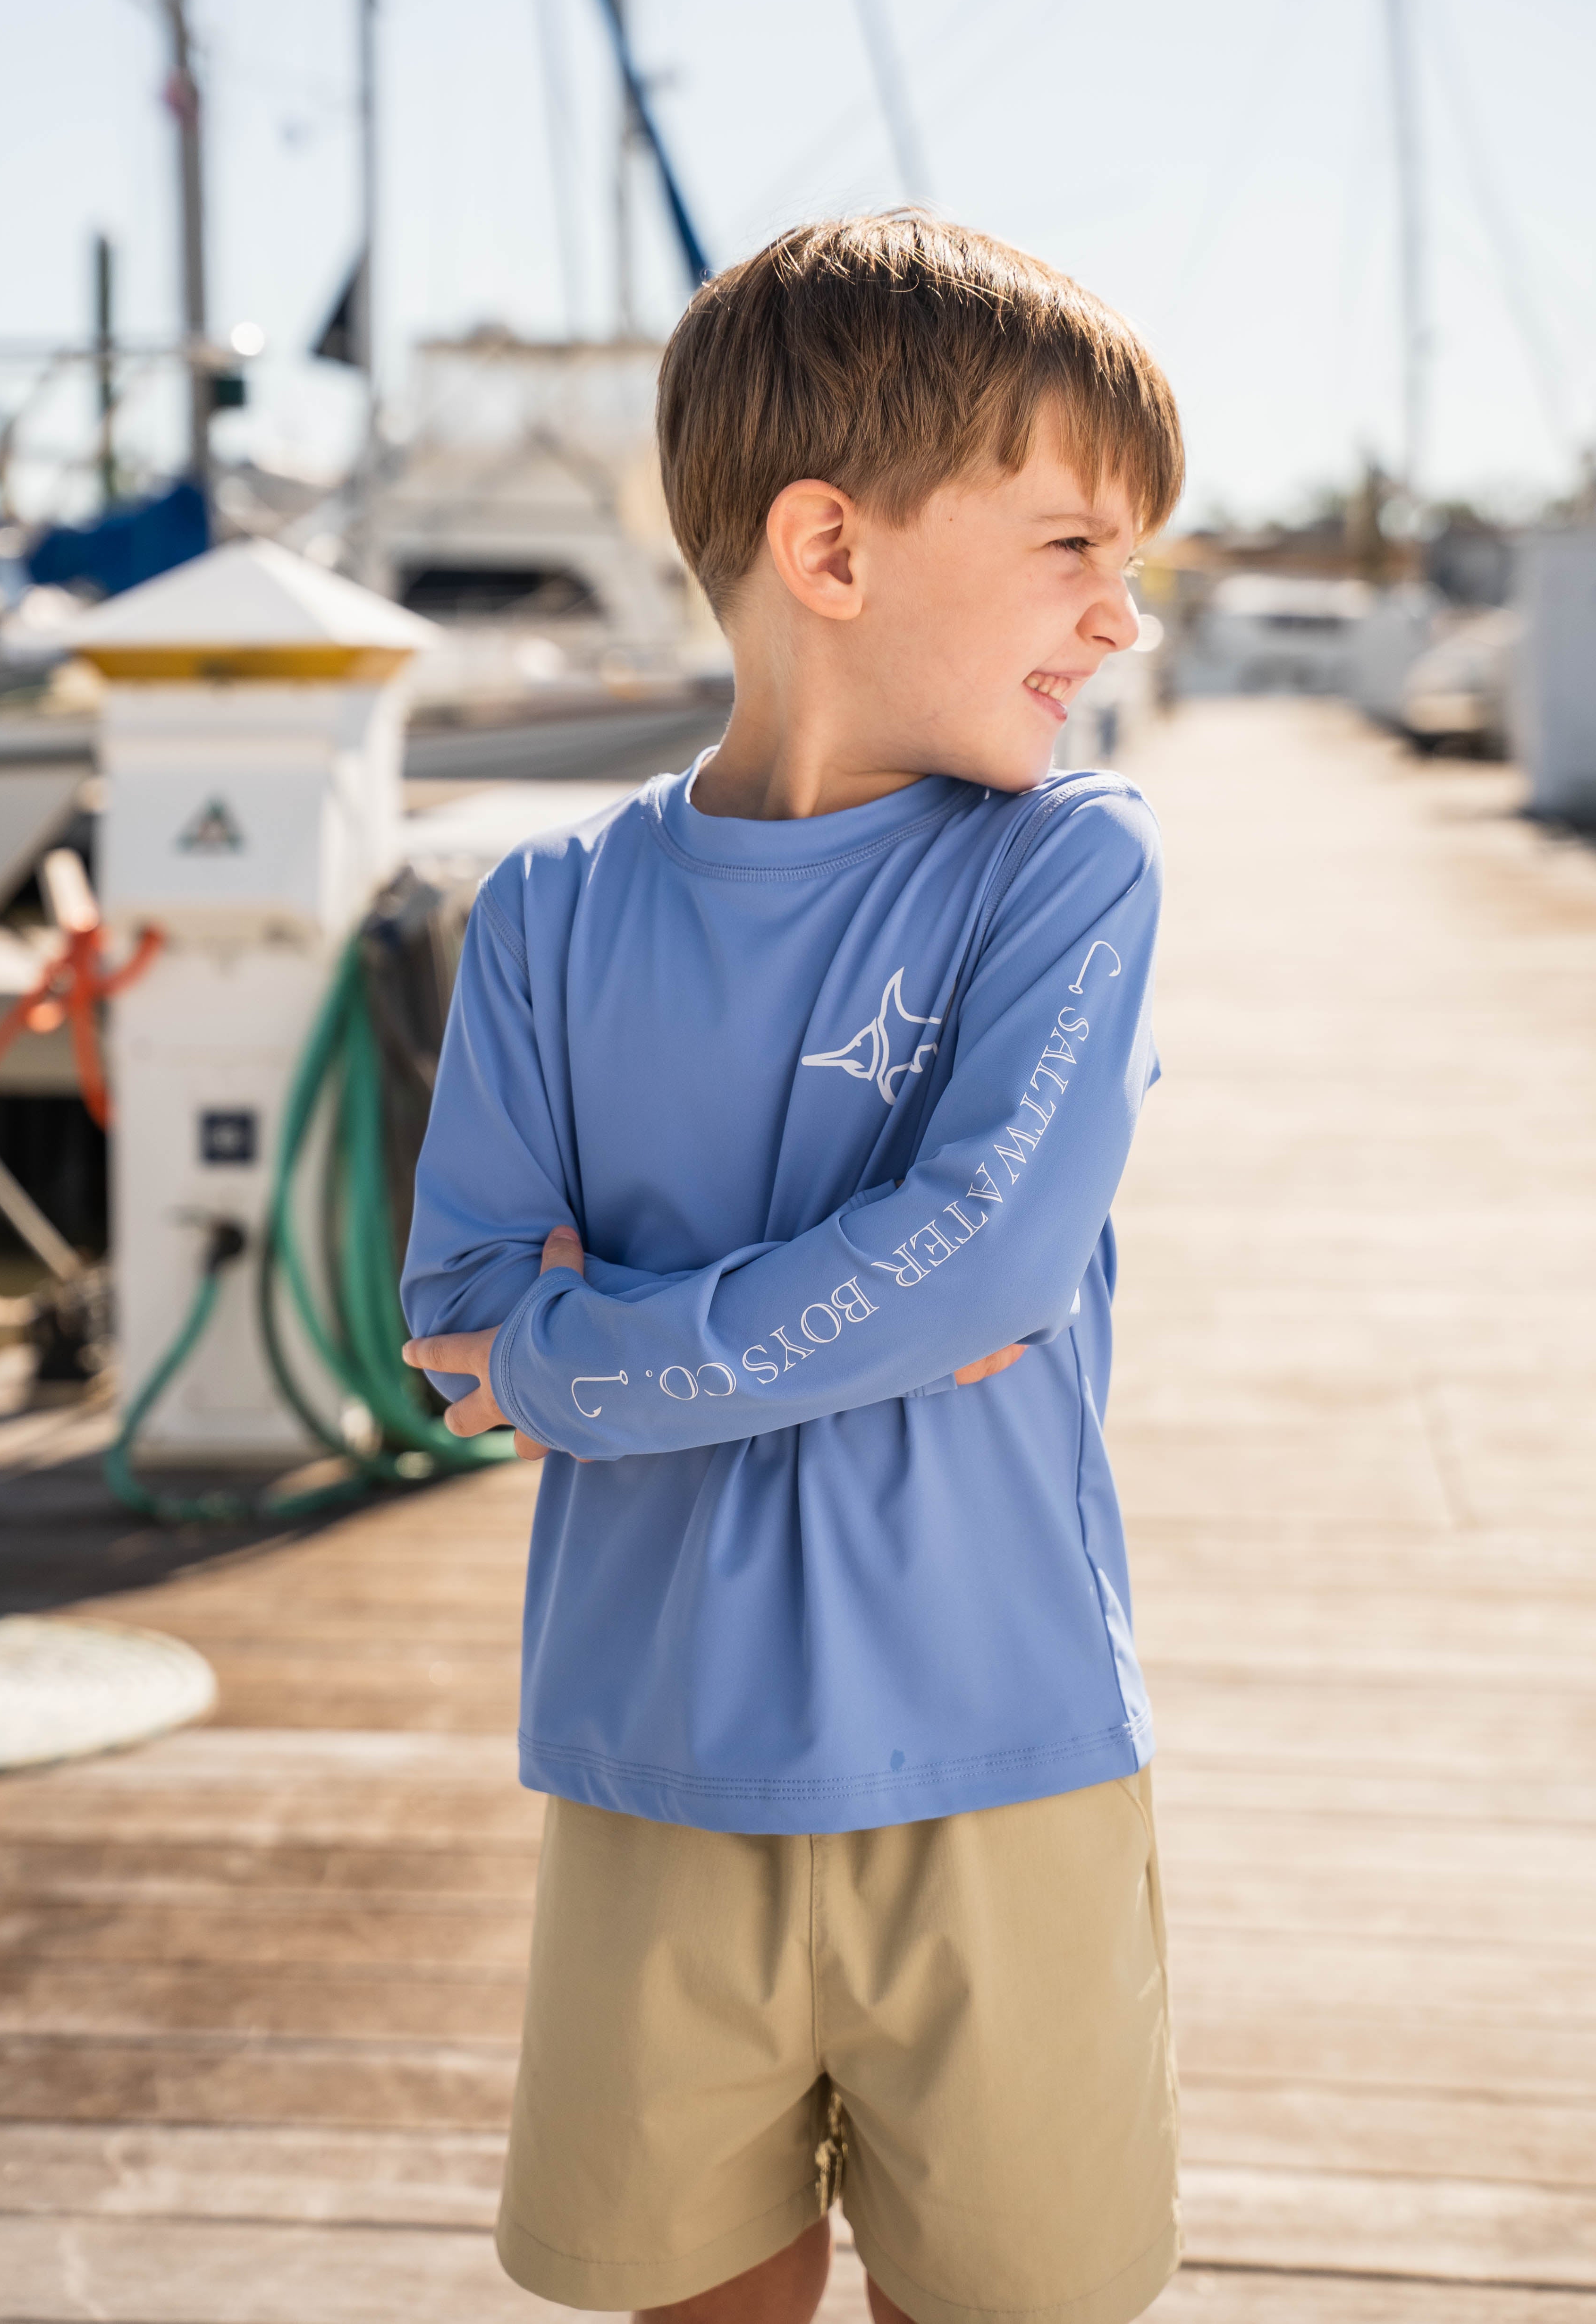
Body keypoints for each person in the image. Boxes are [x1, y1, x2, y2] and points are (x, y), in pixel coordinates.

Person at [401, 212, 1185, 2324]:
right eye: (1071, 547)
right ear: (829, 549)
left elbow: (982, 1265)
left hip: (1003, 1768)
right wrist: (867, 1306)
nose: (1123, 613)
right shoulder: (551, 912)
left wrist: (578, 1348)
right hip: (654, 1770)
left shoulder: (1071, 865)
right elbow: (448, 1318)